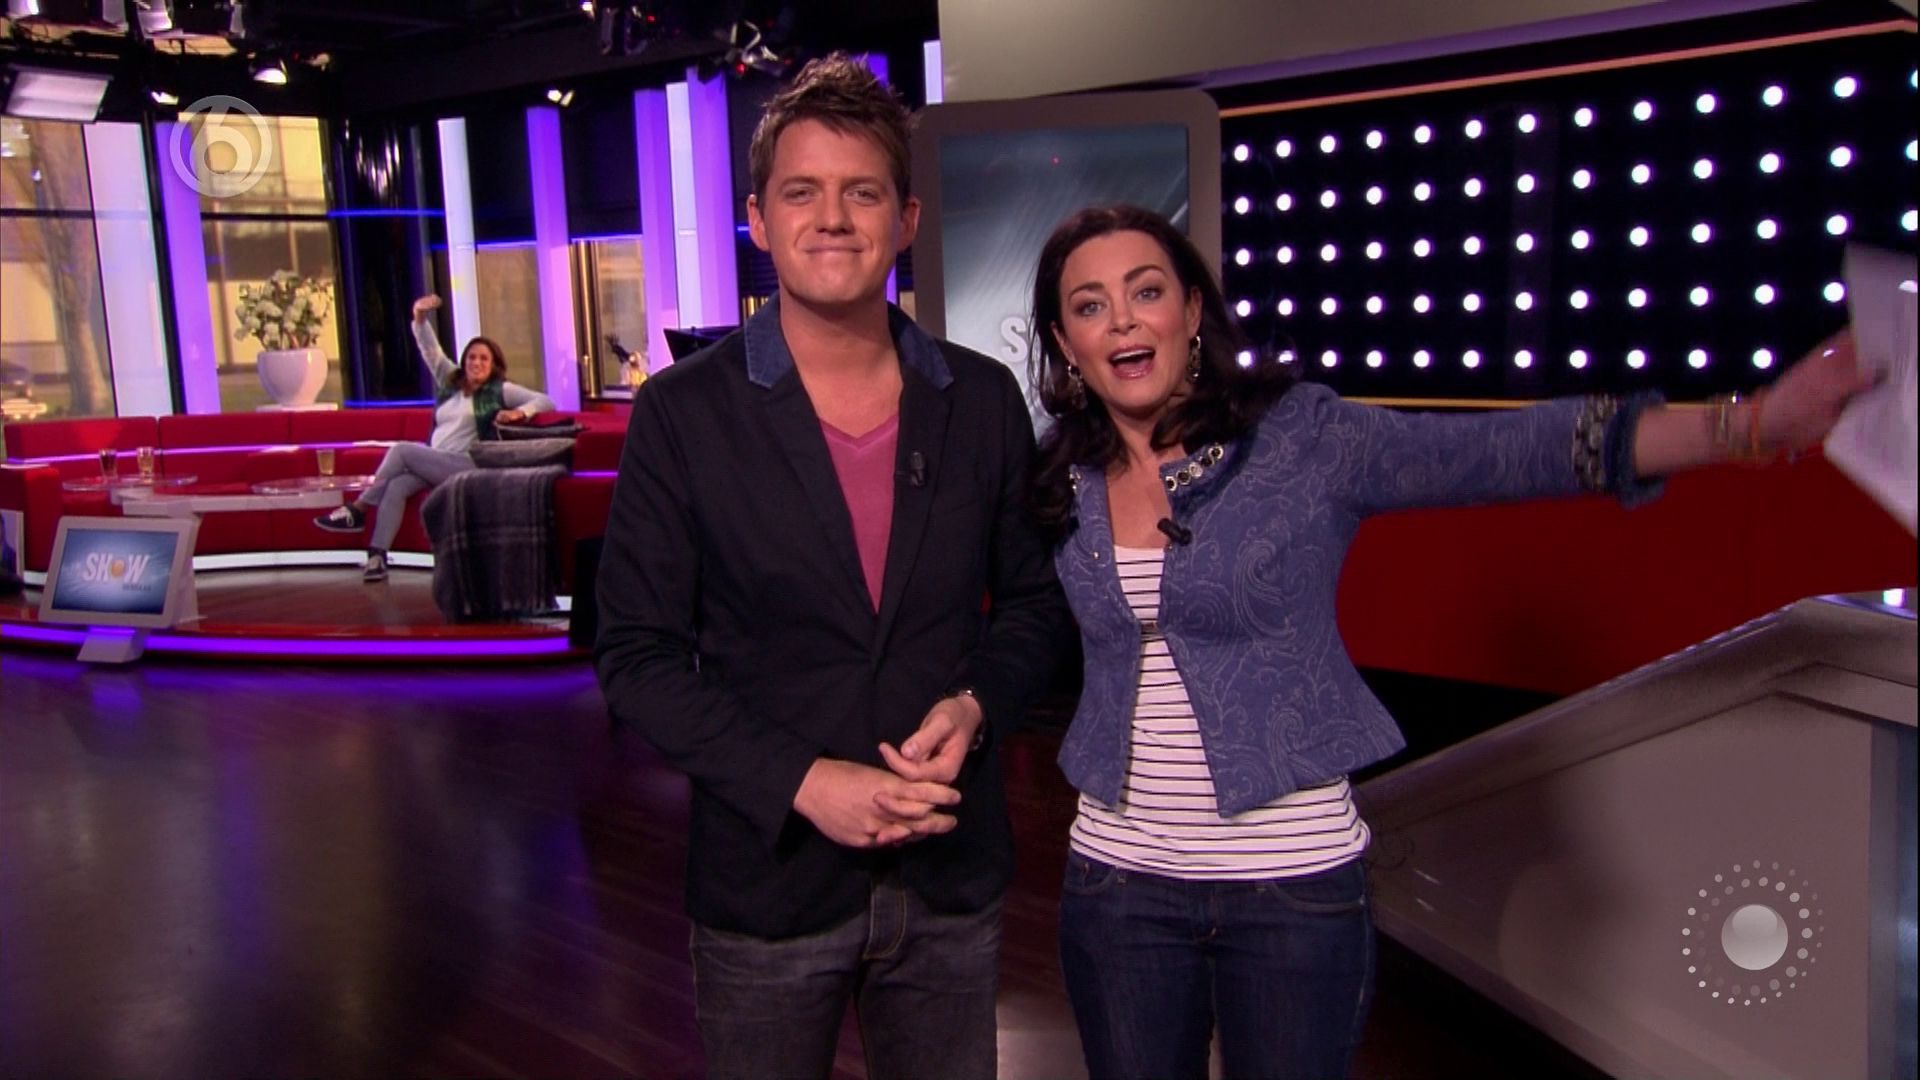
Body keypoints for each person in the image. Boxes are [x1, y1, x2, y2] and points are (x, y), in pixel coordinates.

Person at [1025, 204, 1872, 1080]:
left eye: (1147, 291)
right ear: (1065, 342)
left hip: (1289, 890)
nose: (1122, 320)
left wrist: (1750, 425)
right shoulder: (1061, 479)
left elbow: (1504, 448)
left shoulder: (1301, 439)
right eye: (1090, 305)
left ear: (1192, 311)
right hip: (1118, 888)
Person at [592, 55, 1067, 1080]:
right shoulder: (683, 413)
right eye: (802, 192)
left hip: (948, 877)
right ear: (758, 221)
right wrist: (803, 782)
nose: (834, 219)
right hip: (769, 885)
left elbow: (1034, 605)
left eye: (863, 193)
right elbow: (636, 657)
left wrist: (977, 705)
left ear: (907, 218)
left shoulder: (982, 399)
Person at [314, 294, 553, 582]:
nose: (476, 362)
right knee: (397, 487)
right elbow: (431, 351)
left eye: (484, 358)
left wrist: (519, 412)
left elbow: (545, 400)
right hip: (436, 462)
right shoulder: (450, 382)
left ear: (493, 365)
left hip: (469, 465)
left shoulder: (500, 390)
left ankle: (358, 509)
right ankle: (377, 557)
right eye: (472, 357)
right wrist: (419, 317)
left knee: (402, 450)